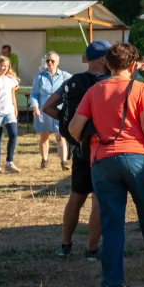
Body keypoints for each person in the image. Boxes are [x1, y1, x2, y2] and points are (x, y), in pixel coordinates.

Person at [66, 43, 144, 287]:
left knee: (111, 223)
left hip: (103, 161)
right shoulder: (140, 88)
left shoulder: (94, 90)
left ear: (107, 64)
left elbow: (73, 127)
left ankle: (113, 283)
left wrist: (88, 141)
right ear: (133, 66)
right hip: (137, 159)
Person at [42, 41, 110, 260]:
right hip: (101, 148)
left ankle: (65, 244)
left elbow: (48, 107)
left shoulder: (73, 81)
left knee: (77, 197)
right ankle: (91, 250)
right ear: (102, 59)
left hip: (79, 147)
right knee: (99, 199)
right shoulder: (108, 83)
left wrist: (67, 124)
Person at [29, 52, 70, 170]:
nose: (50, 63)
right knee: (44, 136)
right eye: (48, 61)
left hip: (59, 111)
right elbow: (34, 94)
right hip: (43, 111)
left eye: (52, 61)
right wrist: (35, 107)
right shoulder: (40, 77)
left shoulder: (64, 76)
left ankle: (63, 162)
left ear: (58, 62)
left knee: (61, 136)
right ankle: (44, 159)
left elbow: (74, 85)